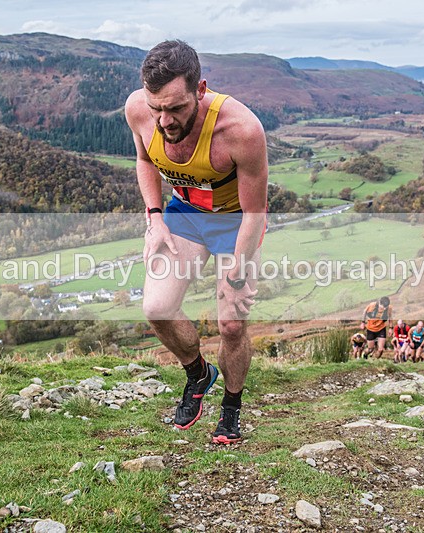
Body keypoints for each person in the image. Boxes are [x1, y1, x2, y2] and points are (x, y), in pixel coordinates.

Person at [125, 40, 268, 445]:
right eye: (157, 109)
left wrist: (236, 274)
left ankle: (231, 408)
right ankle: (198, 373)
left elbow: (255, 213)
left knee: (232, 323)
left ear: (200, 89)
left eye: (176, 108)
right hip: (184, 214)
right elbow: (143, 161)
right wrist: (155, 220)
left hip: (236, 222)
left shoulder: (241, 130)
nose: (165, 121)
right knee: (156, 307)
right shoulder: (138, 110)